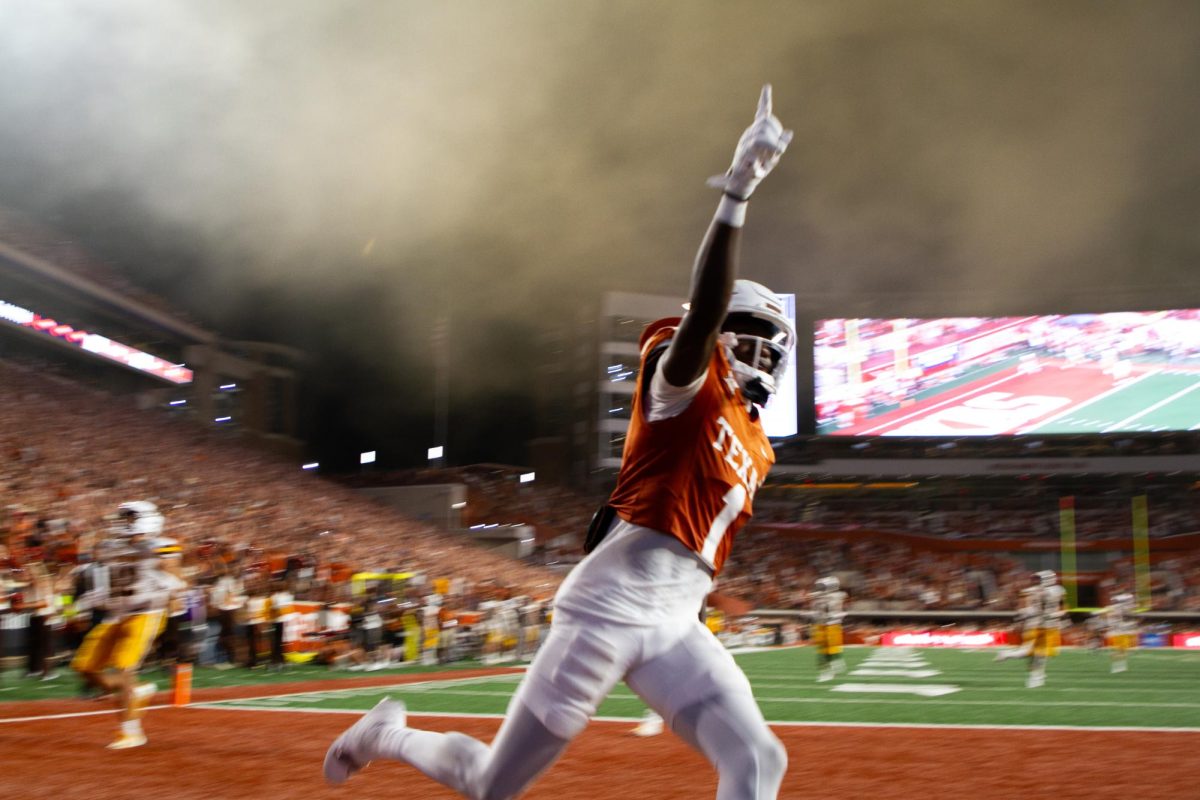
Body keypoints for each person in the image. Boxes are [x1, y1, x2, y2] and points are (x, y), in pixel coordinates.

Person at [324, 84, 793, 800]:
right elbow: (700, 314)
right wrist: (736, 194)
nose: (767, 358)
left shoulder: (758, 443)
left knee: (758, 760)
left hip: (675, 619)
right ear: (724, 333)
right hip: (608, 608)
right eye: (756, 339)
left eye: (774, 347)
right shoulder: (687, 381)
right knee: (491, 785)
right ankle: (384, 732)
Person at [70, 502, 184, 749]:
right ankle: (138, 691)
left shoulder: (164, 544)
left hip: (146, 613)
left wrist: (166, 582)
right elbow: (109, 585)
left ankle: (131, 732)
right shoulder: (112, 547)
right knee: (85, 668)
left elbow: (177, 579)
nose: (124, 523)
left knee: (124, 668)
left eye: (130, 518)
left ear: (147, 519)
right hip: (116, 614)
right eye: (123, 518)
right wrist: (86, 602)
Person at [810, 576, 847, 682]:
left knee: (829, 650)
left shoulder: (835, 596)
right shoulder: (822, 597)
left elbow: (829, 609)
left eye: (822, 587)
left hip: (831, 625)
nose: (819, 589)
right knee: (822, 651)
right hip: (821, 625)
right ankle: (831, 668)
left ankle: (830, 669)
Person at [1099, 591, 1136, 674]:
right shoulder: (1116, 608)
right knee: (1122, 651)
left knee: (1122, 651)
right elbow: (1128, 603)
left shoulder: (1111, 609)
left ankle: (1120, 667)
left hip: (1117, 632)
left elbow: (1104, 614)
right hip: (1119, 633)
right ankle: (1117, 666)